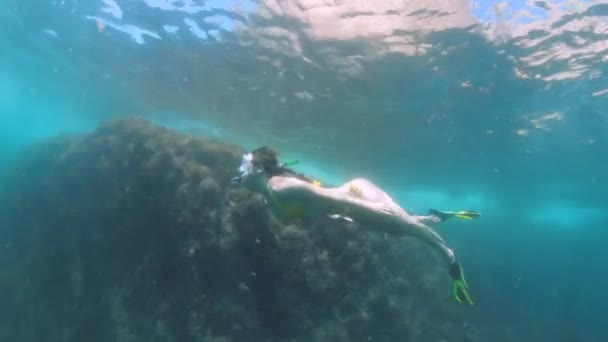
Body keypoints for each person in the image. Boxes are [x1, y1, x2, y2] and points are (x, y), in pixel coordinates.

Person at [232, 146, 479, 305]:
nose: (240, 170)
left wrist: (375, 210)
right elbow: (316, 208)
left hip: (360, 197)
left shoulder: (280, 188)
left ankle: (452, 262)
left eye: (245, 164)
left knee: (410, 230)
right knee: (397, 230)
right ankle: (439, 216)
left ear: (258, 168)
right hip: (351, 205)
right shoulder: (269, 198)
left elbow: (335, 199)